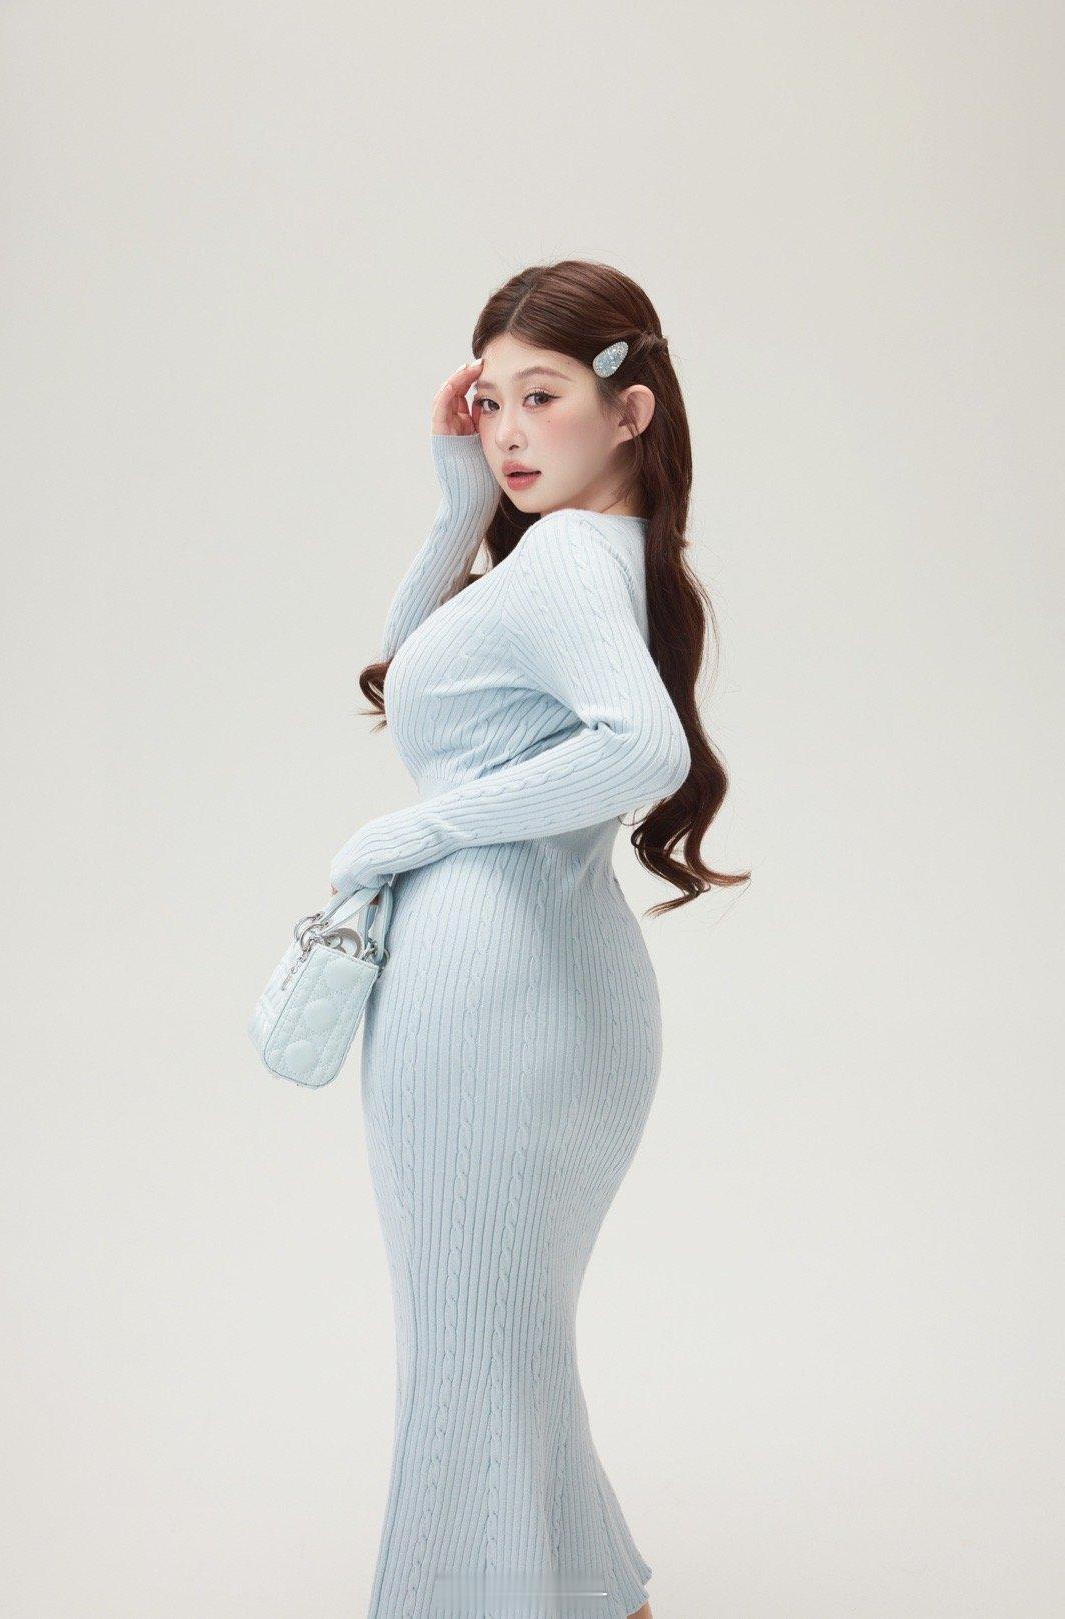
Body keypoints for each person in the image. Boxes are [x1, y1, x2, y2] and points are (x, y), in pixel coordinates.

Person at [329, 260, 749, 1619]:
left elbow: (641, 747)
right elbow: (415, 680)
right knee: (497, 1338)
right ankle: (592, 1599)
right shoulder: (594, 556)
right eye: (491, 401)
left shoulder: (569, 559)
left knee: (469, 1341)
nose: (509, 432)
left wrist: (412, 836)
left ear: (630, 410)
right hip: (550, 982)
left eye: (543, 397)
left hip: (492, 989)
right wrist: (457, 501)